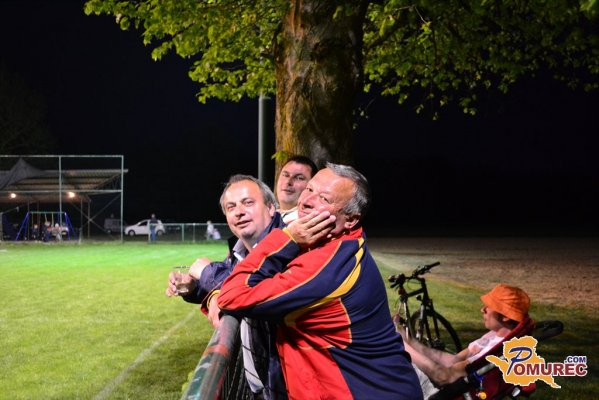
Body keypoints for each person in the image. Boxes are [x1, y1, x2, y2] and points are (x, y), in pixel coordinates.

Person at [218, 163, 423, 400]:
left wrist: (288, 238)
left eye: (324, 198)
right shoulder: (339, 243)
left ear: (350, 219)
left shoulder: (325, 270)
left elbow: (231, 295)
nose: (306, 201)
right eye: (309, 189)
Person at [165, 175, 287, 399]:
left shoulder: (286, 243)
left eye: (248, 203)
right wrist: (194, 287)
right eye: (231, 207)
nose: (239, 212)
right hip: (264, 384)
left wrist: (206, 272)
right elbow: (230, 276)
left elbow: (255, 288)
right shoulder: (241, 251)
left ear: (271, 208)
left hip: (287, 386)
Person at [400, 284, 531, 399]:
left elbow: (442, 376)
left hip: (439, 392)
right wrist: (408, 341)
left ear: (506, 317)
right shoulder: (494, 337)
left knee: (394, 362)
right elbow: (453, 360)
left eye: (489, 306)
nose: (482, 309)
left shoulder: (495, 352)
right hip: (447, 386)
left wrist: (401, 343)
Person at [275, 155, 317, 223]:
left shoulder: (307, 223)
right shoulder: (267, 214)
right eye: (285, 175)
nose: (288, 182)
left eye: (299, 178)